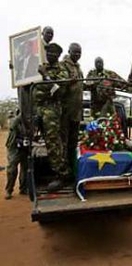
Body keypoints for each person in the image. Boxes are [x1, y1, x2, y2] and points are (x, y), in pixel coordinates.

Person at [34, 43, 71, 192]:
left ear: (58, 56)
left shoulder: (61, 71)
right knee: (46, 143)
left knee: (54, 143)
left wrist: (46, 76)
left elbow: (58, 91)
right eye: (48, 53)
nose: (49, 56)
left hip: (52, 109)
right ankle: (56, 172)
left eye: (53, 54)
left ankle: (63, 175)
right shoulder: (41, 66)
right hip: (40, 108)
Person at [59, 42, 84, 191]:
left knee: (72, 144)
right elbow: (60, 84)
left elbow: (80, 86)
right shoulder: (64, 65)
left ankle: (72, 171)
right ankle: (63, 174)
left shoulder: (78, 67)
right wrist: (69, 82)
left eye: (79, 52)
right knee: (63, 143)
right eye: (75, 52)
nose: (77, 55)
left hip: (76, 111)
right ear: (69, 51)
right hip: (66, 112)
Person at [4, 110, 28, 199]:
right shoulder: (14, 121)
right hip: (14, 148)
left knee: (25, 169)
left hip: (24, 148)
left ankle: (23, 188)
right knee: (12, 169)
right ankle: (9, 190)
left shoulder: (27, 124)